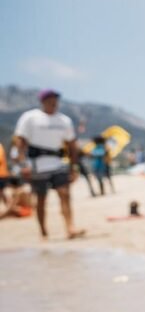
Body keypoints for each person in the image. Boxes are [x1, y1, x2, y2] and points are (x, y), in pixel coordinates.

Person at [13, 89, 85, 239]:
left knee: (64, 193)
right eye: (50, 100)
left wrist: (74, 167)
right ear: (43, 101)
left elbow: (72, 145)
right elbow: (20, 142)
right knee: (41, 199)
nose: (54, 103)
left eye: (55, 100)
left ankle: (70, 228)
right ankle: (43, 231)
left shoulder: (64, 120)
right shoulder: (30, 117)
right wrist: (23, 164)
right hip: (37, 165)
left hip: (58, 163)